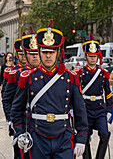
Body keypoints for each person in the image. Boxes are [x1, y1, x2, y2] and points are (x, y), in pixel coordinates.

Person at [11, 19, 88, 159]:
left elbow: (80, 110)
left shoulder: (70, 78)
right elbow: (17, 110)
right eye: (45, 51)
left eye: (52, 52)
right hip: (37, 137)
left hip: (63, 136)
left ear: (58, 53)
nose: (48, 56)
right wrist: (20, 132)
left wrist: (82, 139)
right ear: (39, 52)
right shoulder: (27, 78)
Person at [2, 27, 40, 159]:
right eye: (27, 53)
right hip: (21, 119)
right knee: (20, 154)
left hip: (40, 123)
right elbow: (7, 98)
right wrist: (10, 118)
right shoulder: (17, 74)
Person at [75, 34, 113, 159]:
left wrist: (108, 110)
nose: (93, 59)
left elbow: (108, 93)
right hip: (85, 108)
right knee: (85, 136)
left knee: (105, 133)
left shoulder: (103, 73)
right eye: (90, 56)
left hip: (99, 108)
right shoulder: (80, 73)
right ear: (86, 57)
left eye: (95, 56)